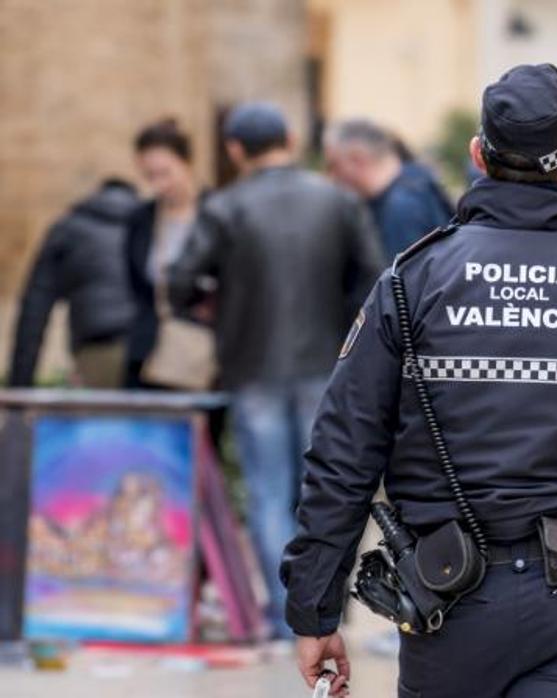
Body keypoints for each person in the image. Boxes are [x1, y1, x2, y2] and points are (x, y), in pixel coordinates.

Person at [281, 64, 557, 698]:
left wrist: (314, 610)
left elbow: (342, 455)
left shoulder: (413, 281)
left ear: (478, 155)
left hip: (448, 603)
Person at [166, 101, 383, 639]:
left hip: (250, 365)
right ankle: (324, 606)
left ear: (236, 150)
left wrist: (210, 307)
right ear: (290, 136)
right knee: (327, 490)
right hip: (326, 368)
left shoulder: (224, 207)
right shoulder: (337, 201)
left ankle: (287, 619)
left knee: (266, 493)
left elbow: (181, 281)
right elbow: (375, 283)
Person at [8, 178, 139, 388]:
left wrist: (20, 386)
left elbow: (34, 311)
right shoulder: (151, 227)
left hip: (96, 351)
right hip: (151, 353)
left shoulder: (68, 228)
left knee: (98, 420)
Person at [123, 118, 208, 388]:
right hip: (151, 352)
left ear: (187, 164)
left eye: (165, 173)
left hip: (208, 354)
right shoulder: (141, 219)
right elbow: (134, 287)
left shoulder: (217, 213)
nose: (158, 184)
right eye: (149, 176)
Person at [324, 118, 454, 258]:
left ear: (358, 158)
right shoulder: (415, 184)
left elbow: (404, 277)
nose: (330, 177)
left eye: (334, 165)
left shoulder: (402, 209)